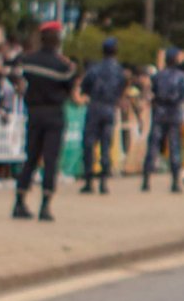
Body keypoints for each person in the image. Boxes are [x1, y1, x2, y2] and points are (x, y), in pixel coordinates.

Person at [11, 22, 76, 220]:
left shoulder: (29, 61)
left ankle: (20, 201)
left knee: (30, 157)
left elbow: (16, 74)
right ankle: (45, 206)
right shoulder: (64, 66)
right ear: (57, 41)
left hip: (34, 112)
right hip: (54, 114)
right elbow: (69, 89)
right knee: (50, 160)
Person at [79, 36, 126, 194]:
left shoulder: (95, 69)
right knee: (106, 144)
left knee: (89, 143)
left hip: (95, 106)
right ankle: (103, 182)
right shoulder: (119, 70)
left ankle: (89, 180)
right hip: (109, 108)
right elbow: (122, 87)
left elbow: (85, 87)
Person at [143, 51, 184, 191]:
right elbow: (183, 95)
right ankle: (175, 182)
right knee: (175, 146)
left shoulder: (158, 76)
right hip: (174, 112)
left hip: (159, 112)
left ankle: (146, 180)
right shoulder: (181, 77)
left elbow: (153, 92)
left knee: (153, 145)